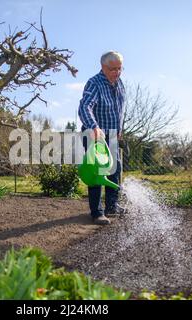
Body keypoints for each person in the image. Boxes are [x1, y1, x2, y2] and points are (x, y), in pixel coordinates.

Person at [78, 51, 126, 225]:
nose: (117, 72)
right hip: (95, 134)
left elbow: (119, 109)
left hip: (112, 134)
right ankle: (97, 212)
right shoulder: (94, 83)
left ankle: (112, 205)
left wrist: (119, 129)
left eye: (120, 69)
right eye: (113, 69)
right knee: (97, 172)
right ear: (103, 67)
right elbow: (85, 107)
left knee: (115, 169)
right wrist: (94, 126)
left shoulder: (119, 84)